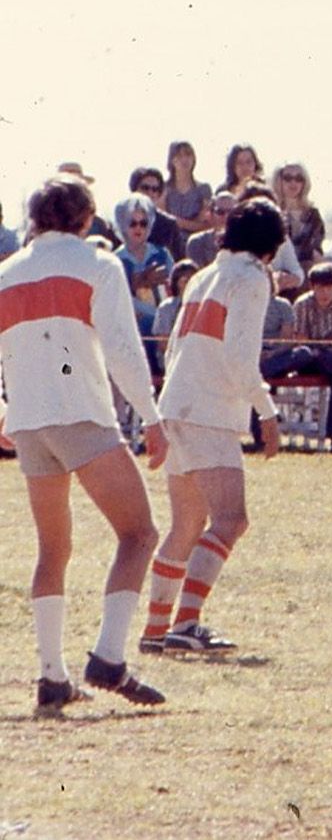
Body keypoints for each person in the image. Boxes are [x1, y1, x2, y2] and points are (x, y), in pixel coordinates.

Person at [0, 173, 170, 715]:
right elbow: (122, 349)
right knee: (139, 534)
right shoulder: (99, 265)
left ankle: (53, 677)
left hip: (28, 421)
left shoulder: (5, 274)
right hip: (80, 413)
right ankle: (109, 657)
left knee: (53, 549)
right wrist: (151, 416)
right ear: (86, 218)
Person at [140, 198, 285, 656]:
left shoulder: (204, 275)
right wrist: (267, 412)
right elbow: (240, 358)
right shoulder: (251, 279)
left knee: (186, 524)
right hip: (209, 410)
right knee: (230, 519)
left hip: (176, 403)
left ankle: (156, 629)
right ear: (271, 246)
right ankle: (186, 624)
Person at [260, 262, 332, 454]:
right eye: (320, 288)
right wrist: (323, 344)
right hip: (307, 361)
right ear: (312, 287)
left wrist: (321, 345)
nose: (324, 293)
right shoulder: (302, 304)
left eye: (329, 288)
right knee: (311, 354)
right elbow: (301, 340)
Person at [113, 194, 173, 350]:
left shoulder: (163, 254)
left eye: (143, 223)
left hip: (162, 329)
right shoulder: (114, 260)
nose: (138, 228)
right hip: (131, 330)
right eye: (132, 223)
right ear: (122, 225)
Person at [271, 162, 325, 275]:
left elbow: (317, 250)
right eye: (288, 178)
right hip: (278, 273)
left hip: (307, 273)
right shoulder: (271, 212)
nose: (293, 182)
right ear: (278, 181)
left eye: (299, 178)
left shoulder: (313, 215)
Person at [123, 166, 186, 261]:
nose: (150, 192)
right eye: (145, 188)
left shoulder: (168, 225)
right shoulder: (121, 219)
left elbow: (179, 260)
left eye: (155, 189)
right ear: (134, 189)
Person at [164, 141, 216, 238]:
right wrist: (191, 223)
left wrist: (177, 222)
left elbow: (206, 224)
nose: (184, 159)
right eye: (179, 156)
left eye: (188, 155)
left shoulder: (204, 189)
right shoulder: (163, 189)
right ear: (171, 160)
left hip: (196, 242)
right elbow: (162, 219)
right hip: (169, 242)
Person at [184, 191, 239, 268]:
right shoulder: (197, 242)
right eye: (220, 212)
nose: (226, 216)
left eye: (231, 212)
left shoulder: (246, 243)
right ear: (210, 214)